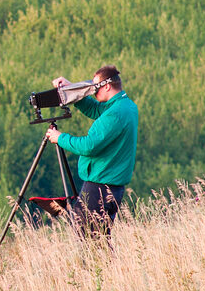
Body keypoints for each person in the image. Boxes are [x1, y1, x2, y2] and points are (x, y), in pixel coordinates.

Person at [43, 65, 137, 234]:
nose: (93, 92)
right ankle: (104, 262)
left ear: (107, 86)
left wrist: (60, 138)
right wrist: (71, 90)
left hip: (100, 186)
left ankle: (95, 262)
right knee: (98, 238)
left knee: (88, 237)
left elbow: (89, 146)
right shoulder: (125, 106)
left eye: (95, 88)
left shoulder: (115, 114)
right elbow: (95, 109)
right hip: (111, 185)